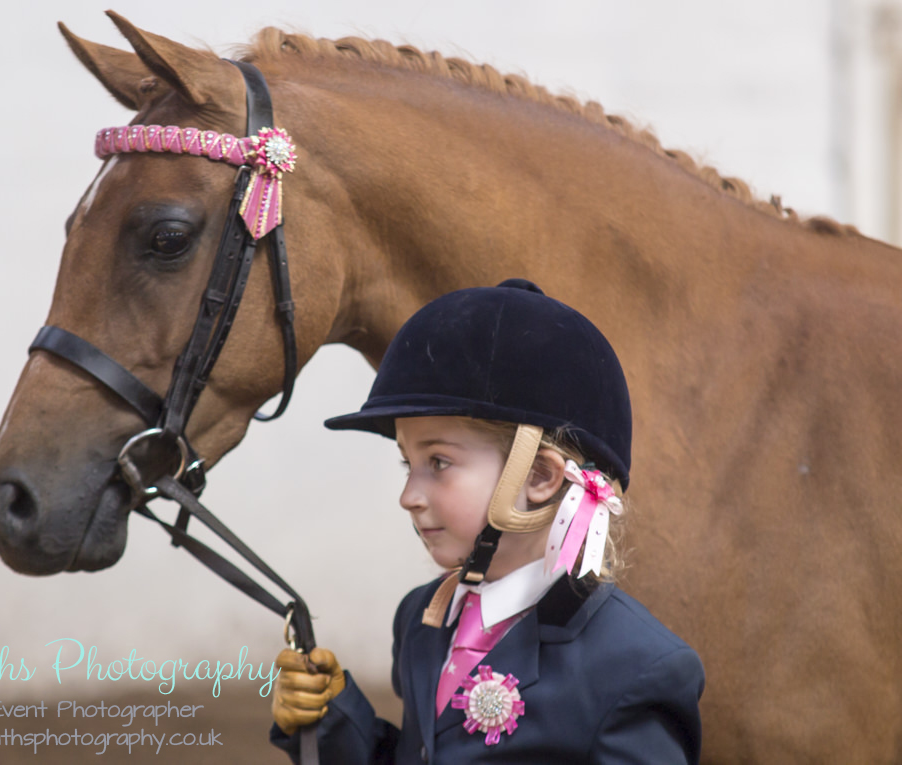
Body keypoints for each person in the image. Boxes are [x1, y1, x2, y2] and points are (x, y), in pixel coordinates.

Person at [269, 279, 703, 764]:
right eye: (405, 464)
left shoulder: (633, 667)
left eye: (438, 463)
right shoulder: (420, 620)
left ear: (538, 475)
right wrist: (327, 722)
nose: (408, 496)